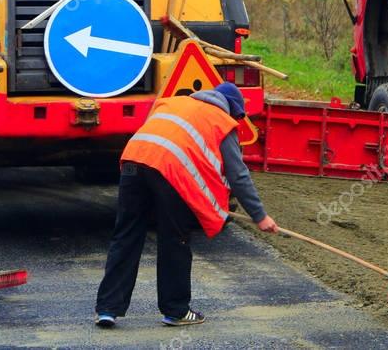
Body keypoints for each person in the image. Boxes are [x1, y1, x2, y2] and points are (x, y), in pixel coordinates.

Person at [94, 82, 278, 328]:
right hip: (169, 171)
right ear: (232, 109)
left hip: (133, 162)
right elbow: (238, 174)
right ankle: (176, 310)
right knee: (175, 239)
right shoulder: (222, 121)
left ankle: (107, 309)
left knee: (126, 236)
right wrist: (260, 216)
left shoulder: (173, 102)